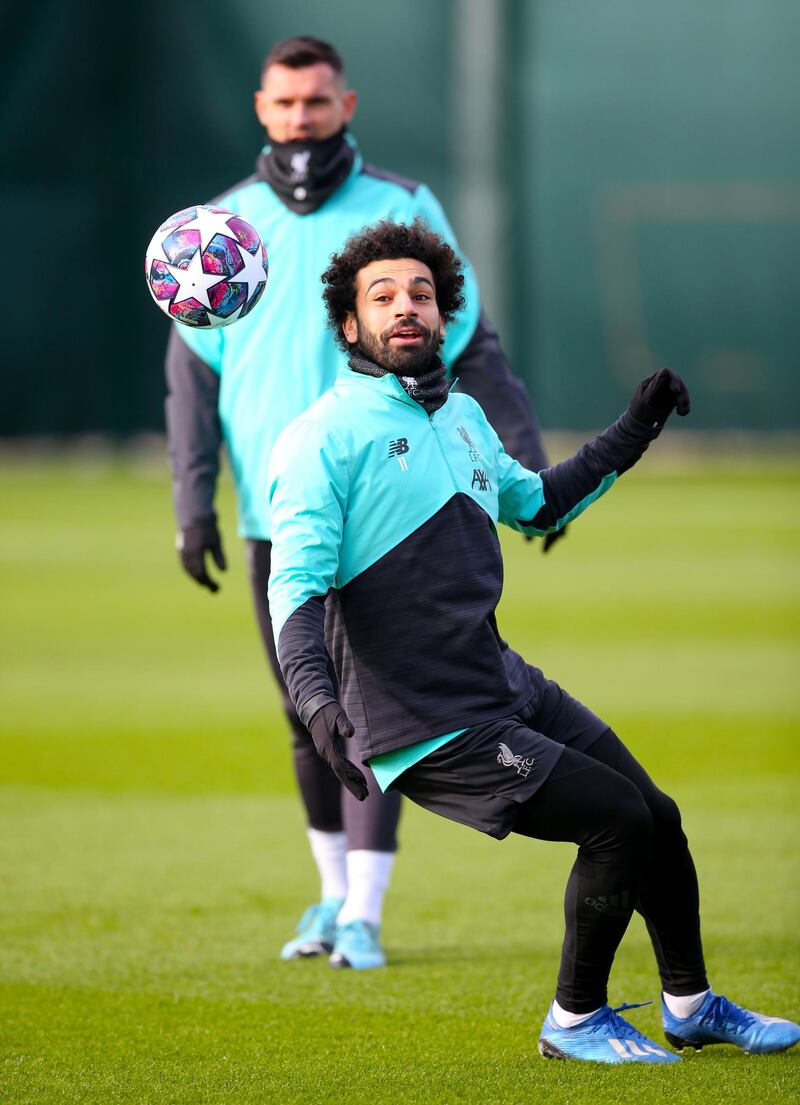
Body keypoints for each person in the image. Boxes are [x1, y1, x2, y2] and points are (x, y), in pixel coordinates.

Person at [266, 218, 800, 1063]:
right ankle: (576, 1018)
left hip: (500, 682)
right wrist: (315, 696)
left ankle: (690, 1003)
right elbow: (294, 588)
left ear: (443, 317)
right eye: (383, 296)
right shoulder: (321, 438)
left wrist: (635, 429)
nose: (406, 307)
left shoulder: (466, 415)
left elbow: (538, 504)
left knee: (657, 814)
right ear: (348, 324)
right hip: (425, 719)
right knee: (618, 821)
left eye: (422, 294)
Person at [164, 36, 559, 971]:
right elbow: (191, 372)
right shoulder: (221, 228)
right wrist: (192, 503)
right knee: (308, 712)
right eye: (285, 103)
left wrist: (529, 468)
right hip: (276, 512)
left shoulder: (401, 206)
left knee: (384, 716)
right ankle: (332, 896)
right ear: (262, 108)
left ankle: (368, 914)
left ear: (348, 105)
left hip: (387, 518)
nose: (301, 118)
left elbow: (473, 343)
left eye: (317, 101)